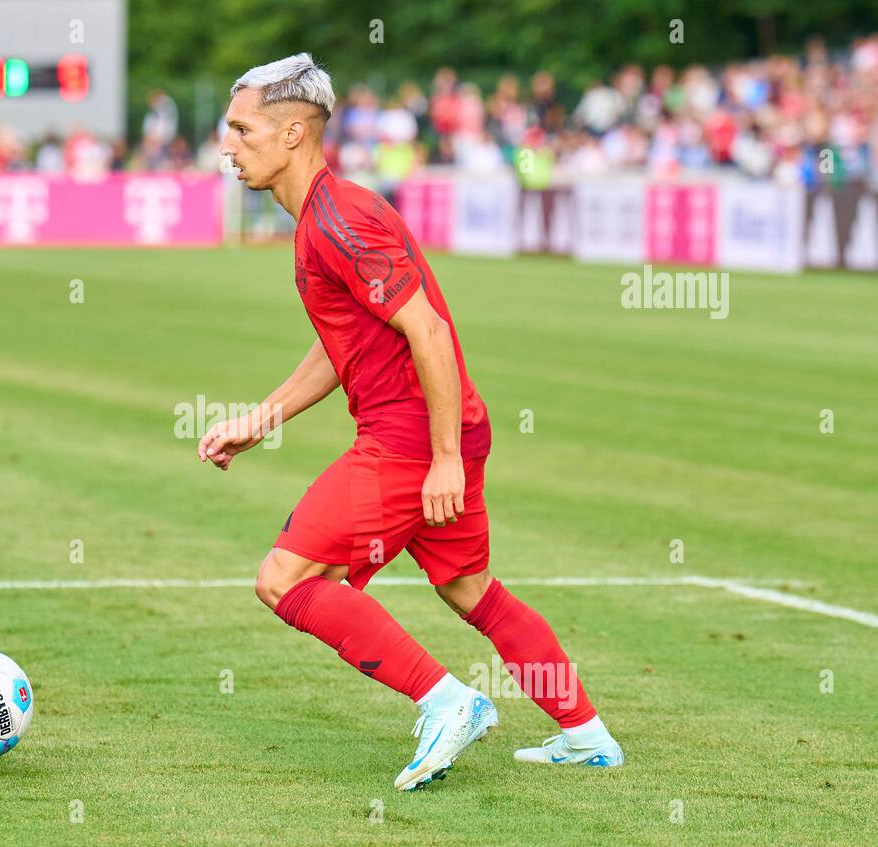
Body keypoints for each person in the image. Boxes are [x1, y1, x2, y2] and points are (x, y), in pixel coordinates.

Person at [203, 53, 624, 791]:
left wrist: (443, 458)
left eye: (241, 129)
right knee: (467, 586)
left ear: (295, 133)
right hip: (441, 428)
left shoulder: (339, 221)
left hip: (411, 437)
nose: (227, 145)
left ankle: (448, 700)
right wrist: (261, 417)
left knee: (286, 577)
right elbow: (344, 346)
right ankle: (586, 733)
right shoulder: (322, 218)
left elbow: (425, 330)